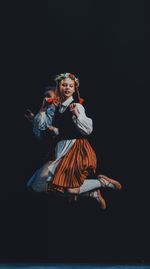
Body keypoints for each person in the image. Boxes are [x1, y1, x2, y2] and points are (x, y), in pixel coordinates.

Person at [26, 73, 122, 209]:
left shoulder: (76, 106)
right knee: (48, 187)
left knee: (68, 190)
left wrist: (76, 115)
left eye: (70, 86)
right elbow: (46, 128)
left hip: (75, 148)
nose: (67, 88)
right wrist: (41, 112)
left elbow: (88, 130)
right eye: (64, 85)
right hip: (60, 148)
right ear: (59, 87)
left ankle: (102, 183)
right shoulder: (58, 107)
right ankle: (92, 192)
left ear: (74, 88)